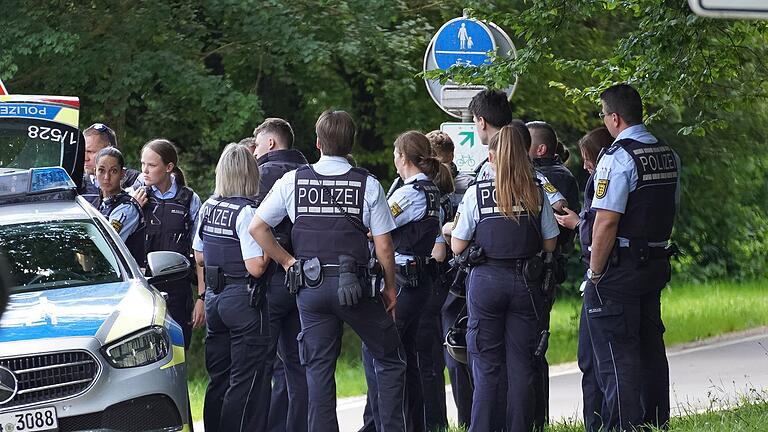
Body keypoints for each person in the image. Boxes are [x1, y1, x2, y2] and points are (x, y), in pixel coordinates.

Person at [249, 110, 406, 432]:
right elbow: (384, 246)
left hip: (311, 287)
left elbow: (257, 228)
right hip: (357, 287)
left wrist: (287, 262)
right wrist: (390, 288)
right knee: (389, 359)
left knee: (318, 371)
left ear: (318, 143)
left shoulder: (293, 181)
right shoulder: (368, 184)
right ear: (350, 143)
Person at [448, 122, 559, 432]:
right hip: (527, 282)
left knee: (485, 365)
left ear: (493, 156)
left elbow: (457, 244)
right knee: (522, 365)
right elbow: (550, 240)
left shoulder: (477, 193)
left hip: (486, 282)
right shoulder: (536, 191)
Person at [584, 84, 679, 431]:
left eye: (603, 115)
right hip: (654, 262)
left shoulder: (617, 157)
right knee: (651, 348)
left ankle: (624, 427)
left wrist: (595, 273)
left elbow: (606, 221)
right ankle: (656, 423)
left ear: (614, 117)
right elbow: (672, 206)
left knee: (616, 354)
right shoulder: (667, 153)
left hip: (620, 269)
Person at [360, 131, 444, 432]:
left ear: (404, 158)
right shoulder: (431, 190)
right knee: (404, 355)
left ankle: (382, 425)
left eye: (396, 154)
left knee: (380, 355)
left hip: (403, 281)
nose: (393, 160)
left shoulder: (409, 193)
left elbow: (375, 227)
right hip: (418, 281)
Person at [192, 143, 271, 432]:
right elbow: (256, 267)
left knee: (219, 377)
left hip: (214, 298)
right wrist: (271, 249)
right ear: (250, 174)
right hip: (242, 300)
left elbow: (199, 255)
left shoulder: (208, 206)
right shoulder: (247, 212)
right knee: (246, 379)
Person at [252, 118, 310, 432]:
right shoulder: (311, 173)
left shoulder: (261, 175)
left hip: (273, 276)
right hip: (307, 280)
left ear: (271, 143)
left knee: (261, 365)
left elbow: (253, 229)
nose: (256, 150)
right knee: (298, 364)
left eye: (258, 143)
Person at [554, 126, 613, 432]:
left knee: (593, 359)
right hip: (605, 274)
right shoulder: (601, 174)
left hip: (600, 276)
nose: (586, 165)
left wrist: (577, 223)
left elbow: (599, 226)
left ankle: (599, 423)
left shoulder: (605, 176)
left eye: (588, 159)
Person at [525, 120, 580, 430]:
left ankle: (534, 420)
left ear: (540, 149)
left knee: (532, 349)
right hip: (540, 270)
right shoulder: (549, 175)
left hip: (539, 269)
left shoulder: (553, 176)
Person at [133, 139, 202, 349]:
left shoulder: (189, 199)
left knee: (179, 349)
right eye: (142, 164)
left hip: (178, 288)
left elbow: (200, 252)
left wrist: (202, 297)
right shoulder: (135, 195)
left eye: (152, 165)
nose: (145, 170)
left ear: (169, 167)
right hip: (143, 288)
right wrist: (134, 206)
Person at [468, 90, 567, 213]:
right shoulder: (530, 171)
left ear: (482, 122)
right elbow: (559, 204)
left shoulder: (486, 169)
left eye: (475, 121)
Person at [94, 147, 146, 264]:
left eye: (113, 171)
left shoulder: (126, 208)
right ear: (94, 172)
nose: (106, 177)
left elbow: (105, 247)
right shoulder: (98, 204)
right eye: (101, 170)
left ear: (122, 174)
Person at [81, 123, 140, 206]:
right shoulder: (76, 185)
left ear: (109, 151)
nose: (85, 158)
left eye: (90, 152)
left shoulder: (134, 181)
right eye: (82, 151)